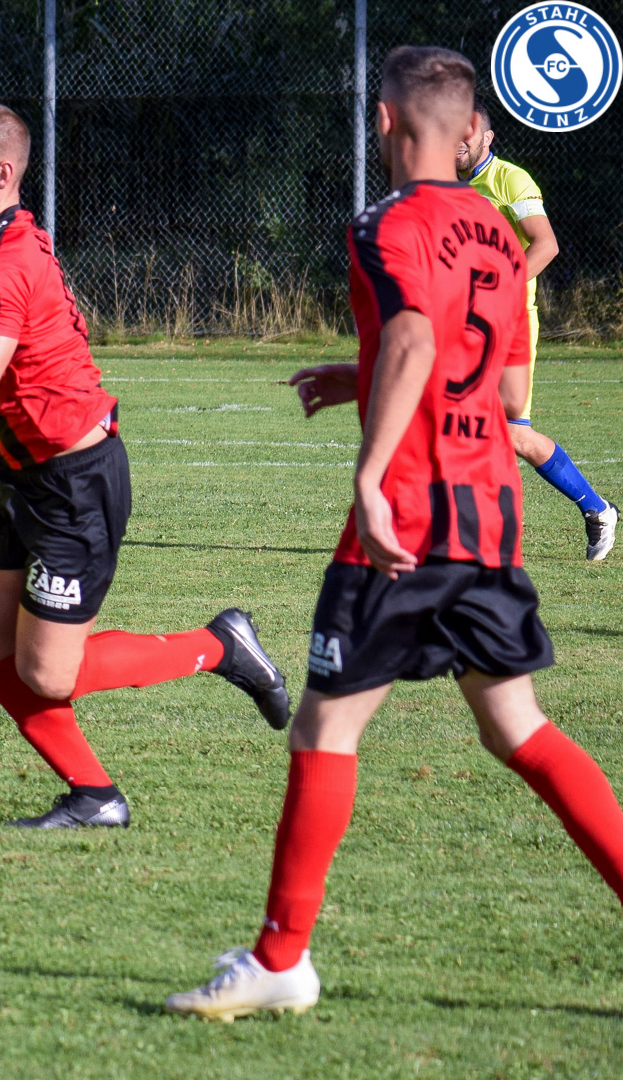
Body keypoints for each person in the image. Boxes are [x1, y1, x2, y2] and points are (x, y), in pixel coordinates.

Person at [166, 47, 623, 1022]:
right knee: (520, 729)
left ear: (385, 121)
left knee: (326, 728)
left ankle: (281, 960)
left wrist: (370, 477)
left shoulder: (386, 222)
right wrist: (360, 374)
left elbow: (416, 335)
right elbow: (495, 382)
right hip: (489, 510)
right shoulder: (503, 237)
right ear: (466, 131)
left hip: (408, 516)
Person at [0, 104, 291, 830]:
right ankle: (95, 796)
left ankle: (219, 646)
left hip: (76, 483)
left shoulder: (1, 258)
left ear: (1, 173)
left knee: (47, 672)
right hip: (21, 473)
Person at [456, 98, 616, 560]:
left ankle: (597, 509)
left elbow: (546, 245)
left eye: (468, 131)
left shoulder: (510, 179)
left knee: (513, 435)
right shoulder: (450, 188)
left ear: (487, 137)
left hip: (509, 327)